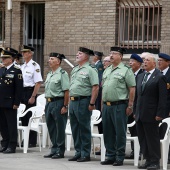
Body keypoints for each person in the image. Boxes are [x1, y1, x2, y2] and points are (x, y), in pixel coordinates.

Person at [101, 47, 135, 166]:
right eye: (110, 53)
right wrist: (102, 106)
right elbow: (104, 88)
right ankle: (110, 155)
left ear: (120, 56)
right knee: (107, 131)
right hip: (107, 105)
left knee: (120, 132)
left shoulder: (126, 70)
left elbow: (132, 88)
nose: (111, 56)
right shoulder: (107, 70)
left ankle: (119, 156)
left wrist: (130, 106)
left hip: (119, 105)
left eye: (114, 54)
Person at [134, 53, 167, 170]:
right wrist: (135, 111)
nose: (145, 62)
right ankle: (147, 160)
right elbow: (137, 96)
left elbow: (163, 98)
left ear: (154, 63)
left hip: (152, 114)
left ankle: (155, 161)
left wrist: (160, 114)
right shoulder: (140, 76)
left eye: (147, 60)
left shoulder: (159, 76)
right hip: (140, 113)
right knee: (142, 139)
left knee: (152, 139)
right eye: (144, 60)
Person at [68, 47, 99, 162]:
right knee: (75, 128)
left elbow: (95, 87)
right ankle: (78, 152)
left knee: (84, 128)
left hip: (83, 101)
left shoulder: (91, 69)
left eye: (80, 53)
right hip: (73, 101)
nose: (77, 55)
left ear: (86, 56)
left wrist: (92, 102)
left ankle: (85, 153)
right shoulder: (75, 69)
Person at [43, 52, 69, 159]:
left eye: (52, 59)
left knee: (59, 127)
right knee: (51, 127)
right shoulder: (49, 74)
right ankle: (53, 149)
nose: (49, 61)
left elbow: (66, 91)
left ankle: (60, 150)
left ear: (58, 62)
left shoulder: (63, 74)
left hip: (58, 102)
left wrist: (65, 106)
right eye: (49, 59)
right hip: (49, 102)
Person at [0, 49, 23, 153]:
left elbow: (19, 89)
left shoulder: (16, 70)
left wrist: (16, 103)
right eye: (2, 58)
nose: (3, 60)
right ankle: (4, 143)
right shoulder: (2, 70)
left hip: (10, 102)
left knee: (11, 124)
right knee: (2, 124)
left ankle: (12, 145)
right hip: (1, 101)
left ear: (11, 59)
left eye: (5, 58)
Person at [20, 45, 43, 147]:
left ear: (30, 53)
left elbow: (38, 83)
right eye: (23, 52)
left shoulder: (35, 66)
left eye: (25, 52)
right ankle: (25, 139)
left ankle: (32, 141)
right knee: (23, 117)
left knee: (30, 117)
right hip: (22, 91)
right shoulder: (22, 66)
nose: (23, 54)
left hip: (30, 91)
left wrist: (33, 96)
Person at [127, 53, 144, 159]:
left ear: (139, 63)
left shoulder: (142, 74)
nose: (130, 63)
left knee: (138, 131)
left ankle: (141, 151)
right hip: (128, 107)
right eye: (130, 61)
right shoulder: (129, 74)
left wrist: (136, 108)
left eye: (132, 61)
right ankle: (134, 151)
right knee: (132, 131)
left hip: (137, 107)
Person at [157, 53, 170, 164]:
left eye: (161, 60)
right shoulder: (157, 74)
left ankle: (168, 155)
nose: (159, 62)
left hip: (168, 108)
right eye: (158, 60)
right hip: (159, 108)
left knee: (168, 132)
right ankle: (161, 154)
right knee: (160, 131)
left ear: (168, 62)